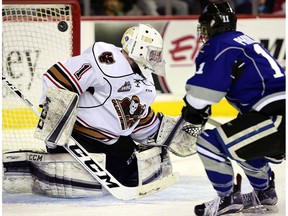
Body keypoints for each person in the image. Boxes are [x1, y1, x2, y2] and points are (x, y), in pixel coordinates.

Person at [3, 23, 185, 198]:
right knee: (78, 182)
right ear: (138, 49)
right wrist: (55, 118)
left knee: (133, 176)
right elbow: (58, 78)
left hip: (112, 140)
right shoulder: (105, 59)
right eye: (153, 54)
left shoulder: (146, 84)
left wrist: (168, 132)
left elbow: (136, 120)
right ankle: (40, 162)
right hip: (78, 135)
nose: (156, 59)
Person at [180, 1, 285, 215]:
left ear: (212, 24)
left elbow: (202, 95)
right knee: (242, 146)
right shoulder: (243, 41)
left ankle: (226, 199)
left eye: (204, 26)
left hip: (276, 119)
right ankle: (264, 193)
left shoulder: (220, 44)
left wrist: (193, 110)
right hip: (274, 116)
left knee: (208, 143)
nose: (203, 33)